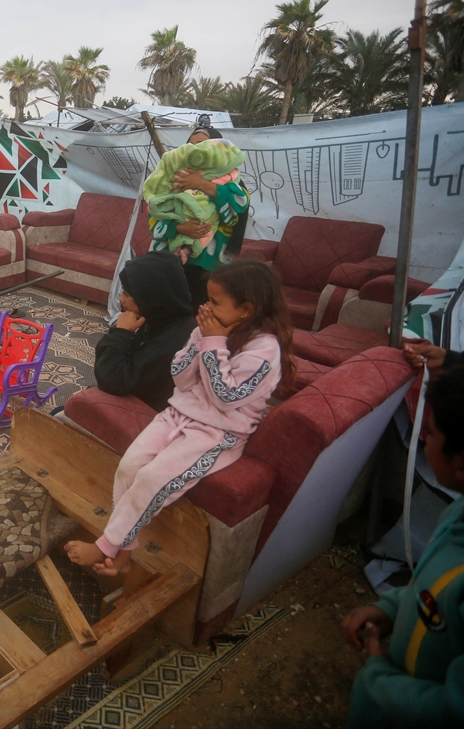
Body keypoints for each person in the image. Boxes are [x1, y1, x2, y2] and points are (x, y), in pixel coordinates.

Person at [65, 260, 294, 575]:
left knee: (151, 479)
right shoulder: (211, 330)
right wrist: (202, 338)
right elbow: (182, 379)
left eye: (214, 302)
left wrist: (212, 343)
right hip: (176, 414)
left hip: (217, 434)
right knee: (129, 467)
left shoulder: (263, 350)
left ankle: (105, 545)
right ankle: (124, 551)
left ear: (246, 309)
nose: (205, 307)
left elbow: (225, 399)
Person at [341, 365, 464, 729]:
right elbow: (434, 582)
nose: (423, 438)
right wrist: (391, 607)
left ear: (463, 465)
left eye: (432, 433)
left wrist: (377, 673)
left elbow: (461, 710)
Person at [146, 127, 250, 305]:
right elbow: (155, 212)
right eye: (191, 144)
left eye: (201, 144)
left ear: (217, 148)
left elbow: (233, 217)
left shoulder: (233, 182)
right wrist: (179, 228)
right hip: (169, 257)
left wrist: (201, 184)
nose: (194, 149)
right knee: (162, 305)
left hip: (206, 265)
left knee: (196, 309)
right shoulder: (174, 175)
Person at [94, 251, 197, 412]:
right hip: (131, 400)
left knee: (61, 416)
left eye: (126, 294)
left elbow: (112, 381)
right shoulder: (160, 318)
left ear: (150, 296)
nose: (121, 299)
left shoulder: (174, 339)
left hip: (145, 417)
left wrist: (121, 334)